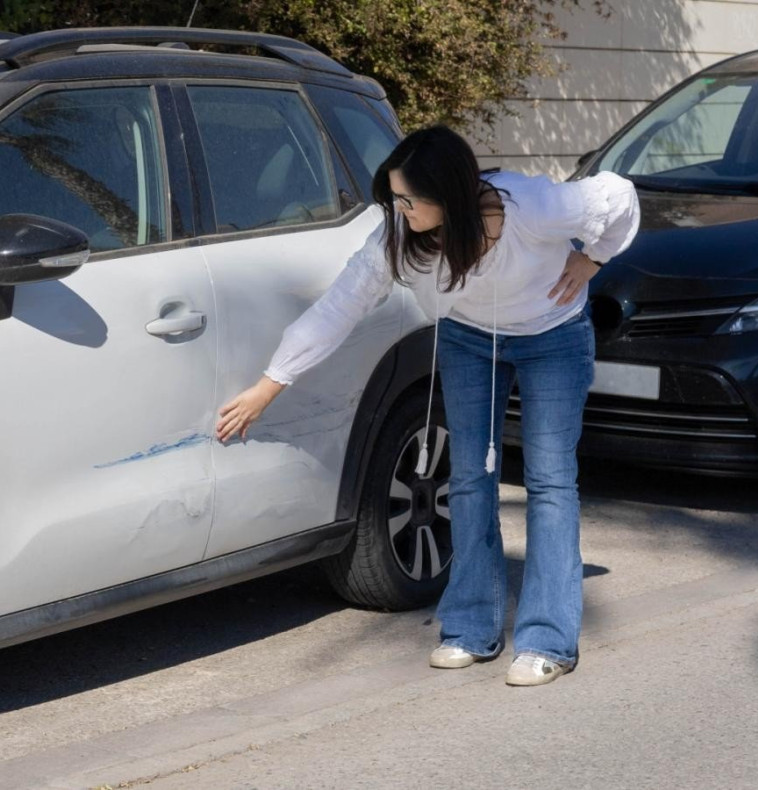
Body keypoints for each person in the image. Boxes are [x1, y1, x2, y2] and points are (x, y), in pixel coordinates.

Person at [215, 126, 639, 686]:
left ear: (453, 195)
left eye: (411, 199)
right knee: (468, 477)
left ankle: (548, 641)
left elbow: (620, 195)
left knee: (550, 481)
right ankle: (469, 629)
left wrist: (596, 259)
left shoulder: (532, 206)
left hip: (551, 335)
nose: (400, 209)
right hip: (467, 338)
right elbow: (338, 309)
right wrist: (271, 384)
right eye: (395, 198)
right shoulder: (396, 238)